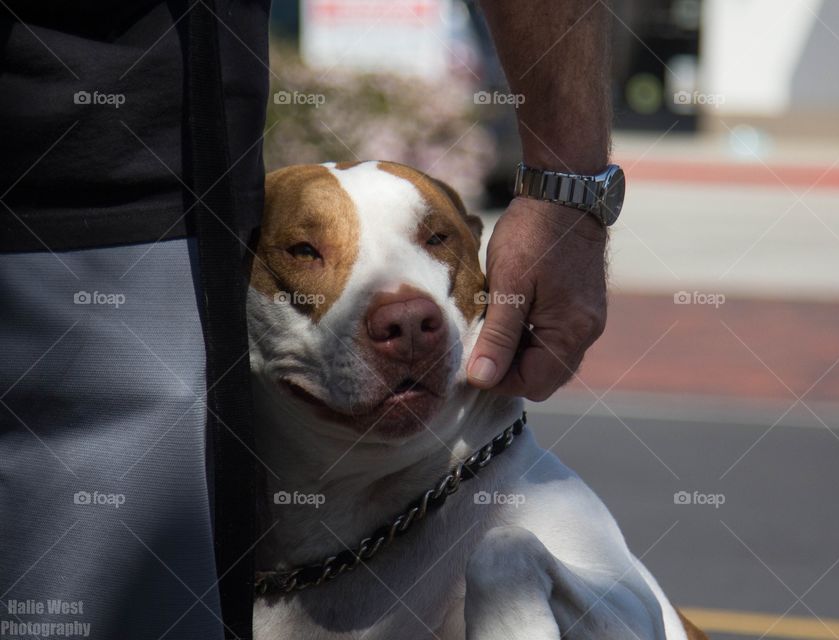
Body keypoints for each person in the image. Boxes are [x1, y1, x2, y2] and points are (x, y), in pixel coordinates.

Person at [0, 1, 613, 638]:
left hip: (133, 171)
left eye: (434, 242)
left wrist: (571, 191)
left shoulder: (538, 507)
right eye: (304, 253)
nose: (404, 316)